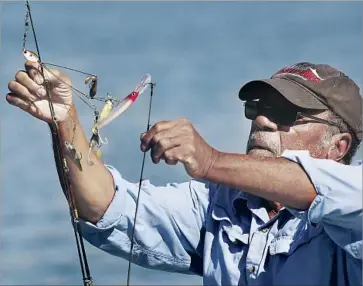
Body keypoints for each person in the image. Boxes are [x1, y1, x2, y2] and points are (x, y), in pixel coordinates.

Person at [7, 60, 362, 285]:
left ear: (338, 147)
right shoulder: (219, 204)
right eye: (259, 108)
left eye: (286, 114)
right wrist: (65, 120)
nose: (263, 120)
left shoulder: (355, 205)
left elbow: (320, 189)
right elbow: (103, 206)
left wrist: (208, 161)